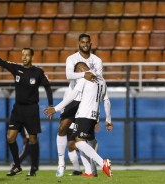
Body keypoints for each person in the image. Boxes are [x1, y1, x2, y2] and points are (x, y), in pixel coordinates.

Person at [0, 41, 53, 177]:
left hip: (31, 109)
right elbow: (0, 62)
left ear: (32, 57)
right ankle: (17, 166)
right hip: (18, 109)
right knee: (10, 137)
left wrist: (51, 105)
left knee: (33, 139)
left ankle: (34, 167)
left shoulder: (38, 72)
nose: (24, 57)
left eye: (27, 55)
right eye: (22, 55)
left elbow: (47, 87)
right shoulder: (16, 69)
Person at [44, 62, 113, 177]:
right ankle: (89, 171)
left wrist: (55, 109)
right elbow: (107, 101)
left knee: (79, 142)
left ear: (81, 69)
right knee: (87, 141)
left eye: (77, 73)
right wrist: (108, 119)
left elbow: (72, 96)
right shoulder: (102, 80)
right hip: (94, 115)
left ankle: (103, 163)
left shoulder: (84, 78)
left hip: (84, 114)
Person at [55, 33, 103, 177]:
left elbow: (99, 82)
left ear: (91, 44)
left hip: (88, 100)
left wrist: (98, 115)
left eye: (87, 42)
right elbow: (69, 75)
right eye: (82, 42)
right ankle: (61, 163)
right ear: (78, 43)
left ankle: (91, 167)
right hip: (73, 98)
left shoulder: (97, 60)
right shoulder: (72, 58)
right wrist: (84, 75)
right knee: (63, 126)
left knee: (87, 138)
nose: (85, 44)